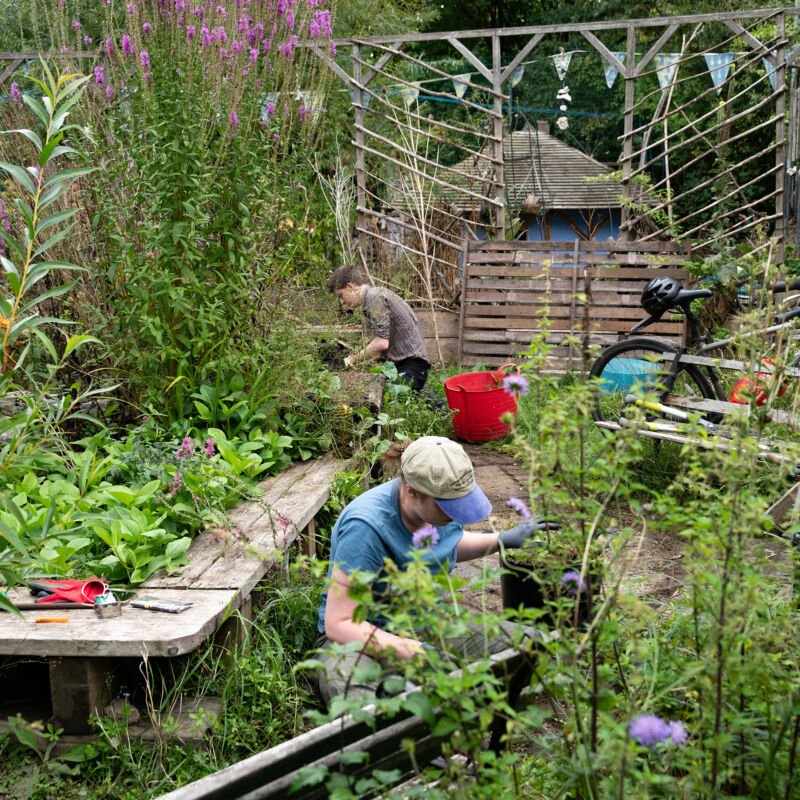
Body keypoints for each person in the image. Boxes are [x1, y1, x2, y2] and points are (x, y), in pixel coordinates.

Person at [314, 436, 543, 707]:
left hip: (425, 624)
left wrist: (503, 539)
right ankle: (409, 704)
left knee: (529, 644)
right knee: (354, 697)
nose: (456, 515)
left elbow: (450, 543)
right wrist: (412, 653)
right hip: (362, 637)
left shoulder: (433, 507)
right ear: (411, 490)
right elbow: (339, 624)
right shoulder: (365, 526)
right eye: (449, 507)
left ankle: (452, 707)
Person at [327, 265, 431, 392]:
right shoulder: (375, 295)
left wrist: (350, 360)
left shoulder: (373, 297)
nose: (341, 302)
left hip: (410, 368)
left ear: (350, 286)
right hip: (411, 367)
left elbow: (381, 343)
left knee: (379, 398)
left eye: (341, 296)